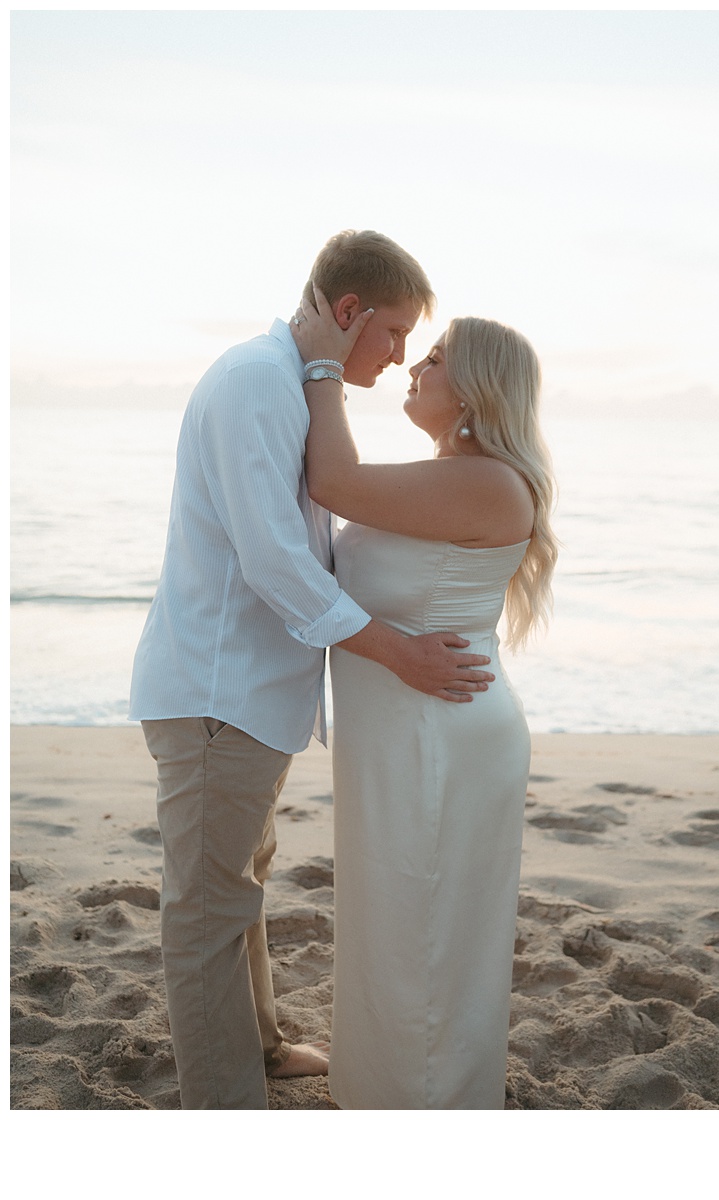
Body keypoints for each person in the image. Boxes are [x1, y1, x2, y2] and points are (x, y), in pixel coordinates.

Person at [128, 230, 496, 1110]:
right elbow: (274, 560)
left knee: (238, 883)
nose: (402, 354)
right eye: (396, 332)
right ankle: (226, 1109)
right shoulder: (257, 381)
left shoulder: (288, 380)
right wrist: (397, 651)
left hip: (250, 693)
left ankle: (257, 1047)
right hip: (219, 691)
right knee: (207, 914)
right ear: (347, 312)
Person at [293, 289, 558, 1109]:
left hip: (438, 738)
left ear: (477, 390)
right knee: (398, 923)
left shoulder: (488, 483)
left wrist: (322, 360)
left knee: (426, 934)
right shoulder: (451, 475)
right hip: (406, 732)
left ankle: (426, 1117)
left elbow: (330, 477)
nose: (413, 364)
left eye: (435, 358)